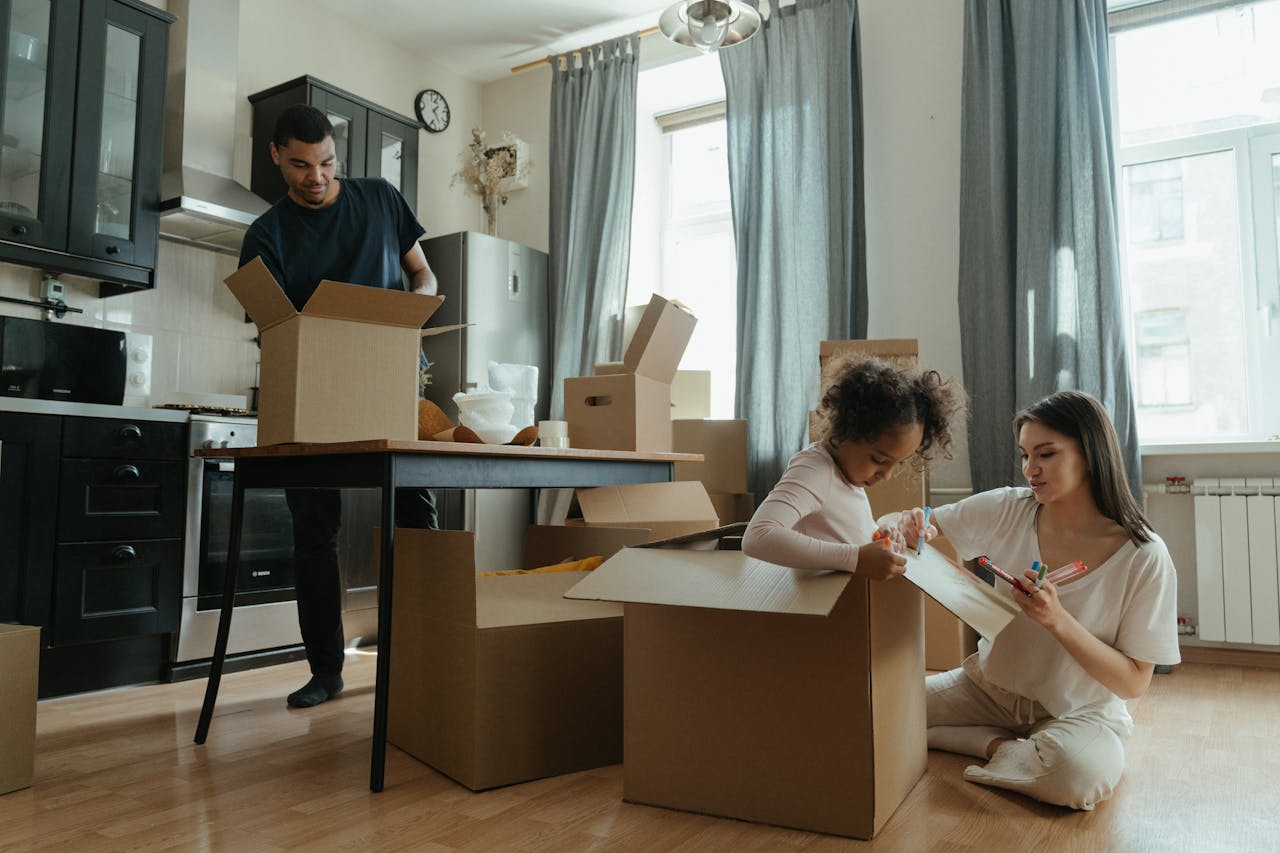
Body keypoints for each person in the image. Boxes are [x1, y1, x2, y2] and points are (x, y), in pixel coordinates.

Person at [239, 104, 438, 708]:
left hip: (388, 375)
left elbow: (422, 276)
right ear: (277, 157)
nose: (316, 176)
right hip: (311, 390)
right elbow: (272, 325)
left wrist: (412, 312)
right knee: (314, 532)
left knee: (416, 515)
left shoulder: (380, 198)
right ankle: (326, 671)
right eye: (300, 165)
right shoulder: (264, 236)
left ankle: (426, 652)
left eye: (326, 162)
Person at [898, 390, 1180, 810]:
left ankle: (975, 743)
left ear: (1090, 452)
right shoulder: (1008, 508)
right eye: (1026, 455)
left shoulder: (1144, 556)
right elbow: (918, 525)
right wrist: (910, 522)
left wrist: (1057, 621)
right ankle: (1008, 745)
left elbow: (1134, 681)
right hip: (987, 688)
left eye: (1046, 454)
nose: (1031, 468)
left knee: (1075, 777)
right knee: (882, 710)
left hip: (1079, 711)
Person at [742, 357, 964, 579]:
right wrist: (856, 558)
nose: (886, 475)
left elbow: (838, 534)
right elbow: (758, 537)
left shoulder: (846, 475)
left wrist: (878, 537)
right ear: (847, 429)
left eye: (898, 463)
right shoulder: (815, 469)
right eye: (878, 460)